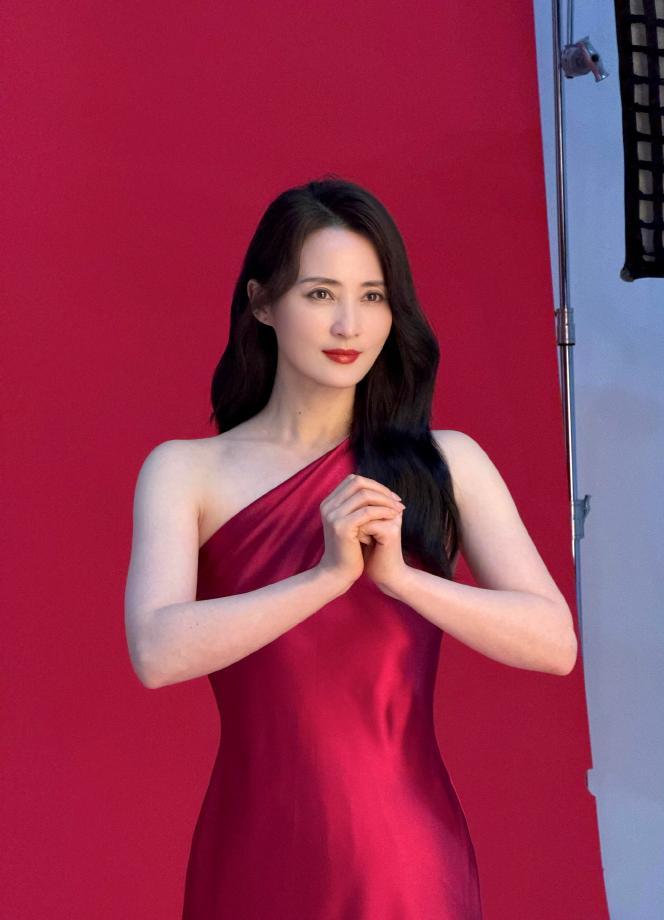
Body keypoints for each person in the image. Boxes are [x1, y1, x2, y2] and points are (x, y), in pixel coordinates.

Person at [124, 175, 577, 919]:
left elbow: (554, 643)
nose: (349, 325)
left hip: (406, 855)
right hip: (252, 853)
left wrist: (401, 578)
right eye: (319, 294)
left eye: (373, 297)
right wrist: (325, 577)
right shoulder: (186, 471)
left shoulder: (447, 462)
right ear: (261, 303)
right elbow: (156, 651)